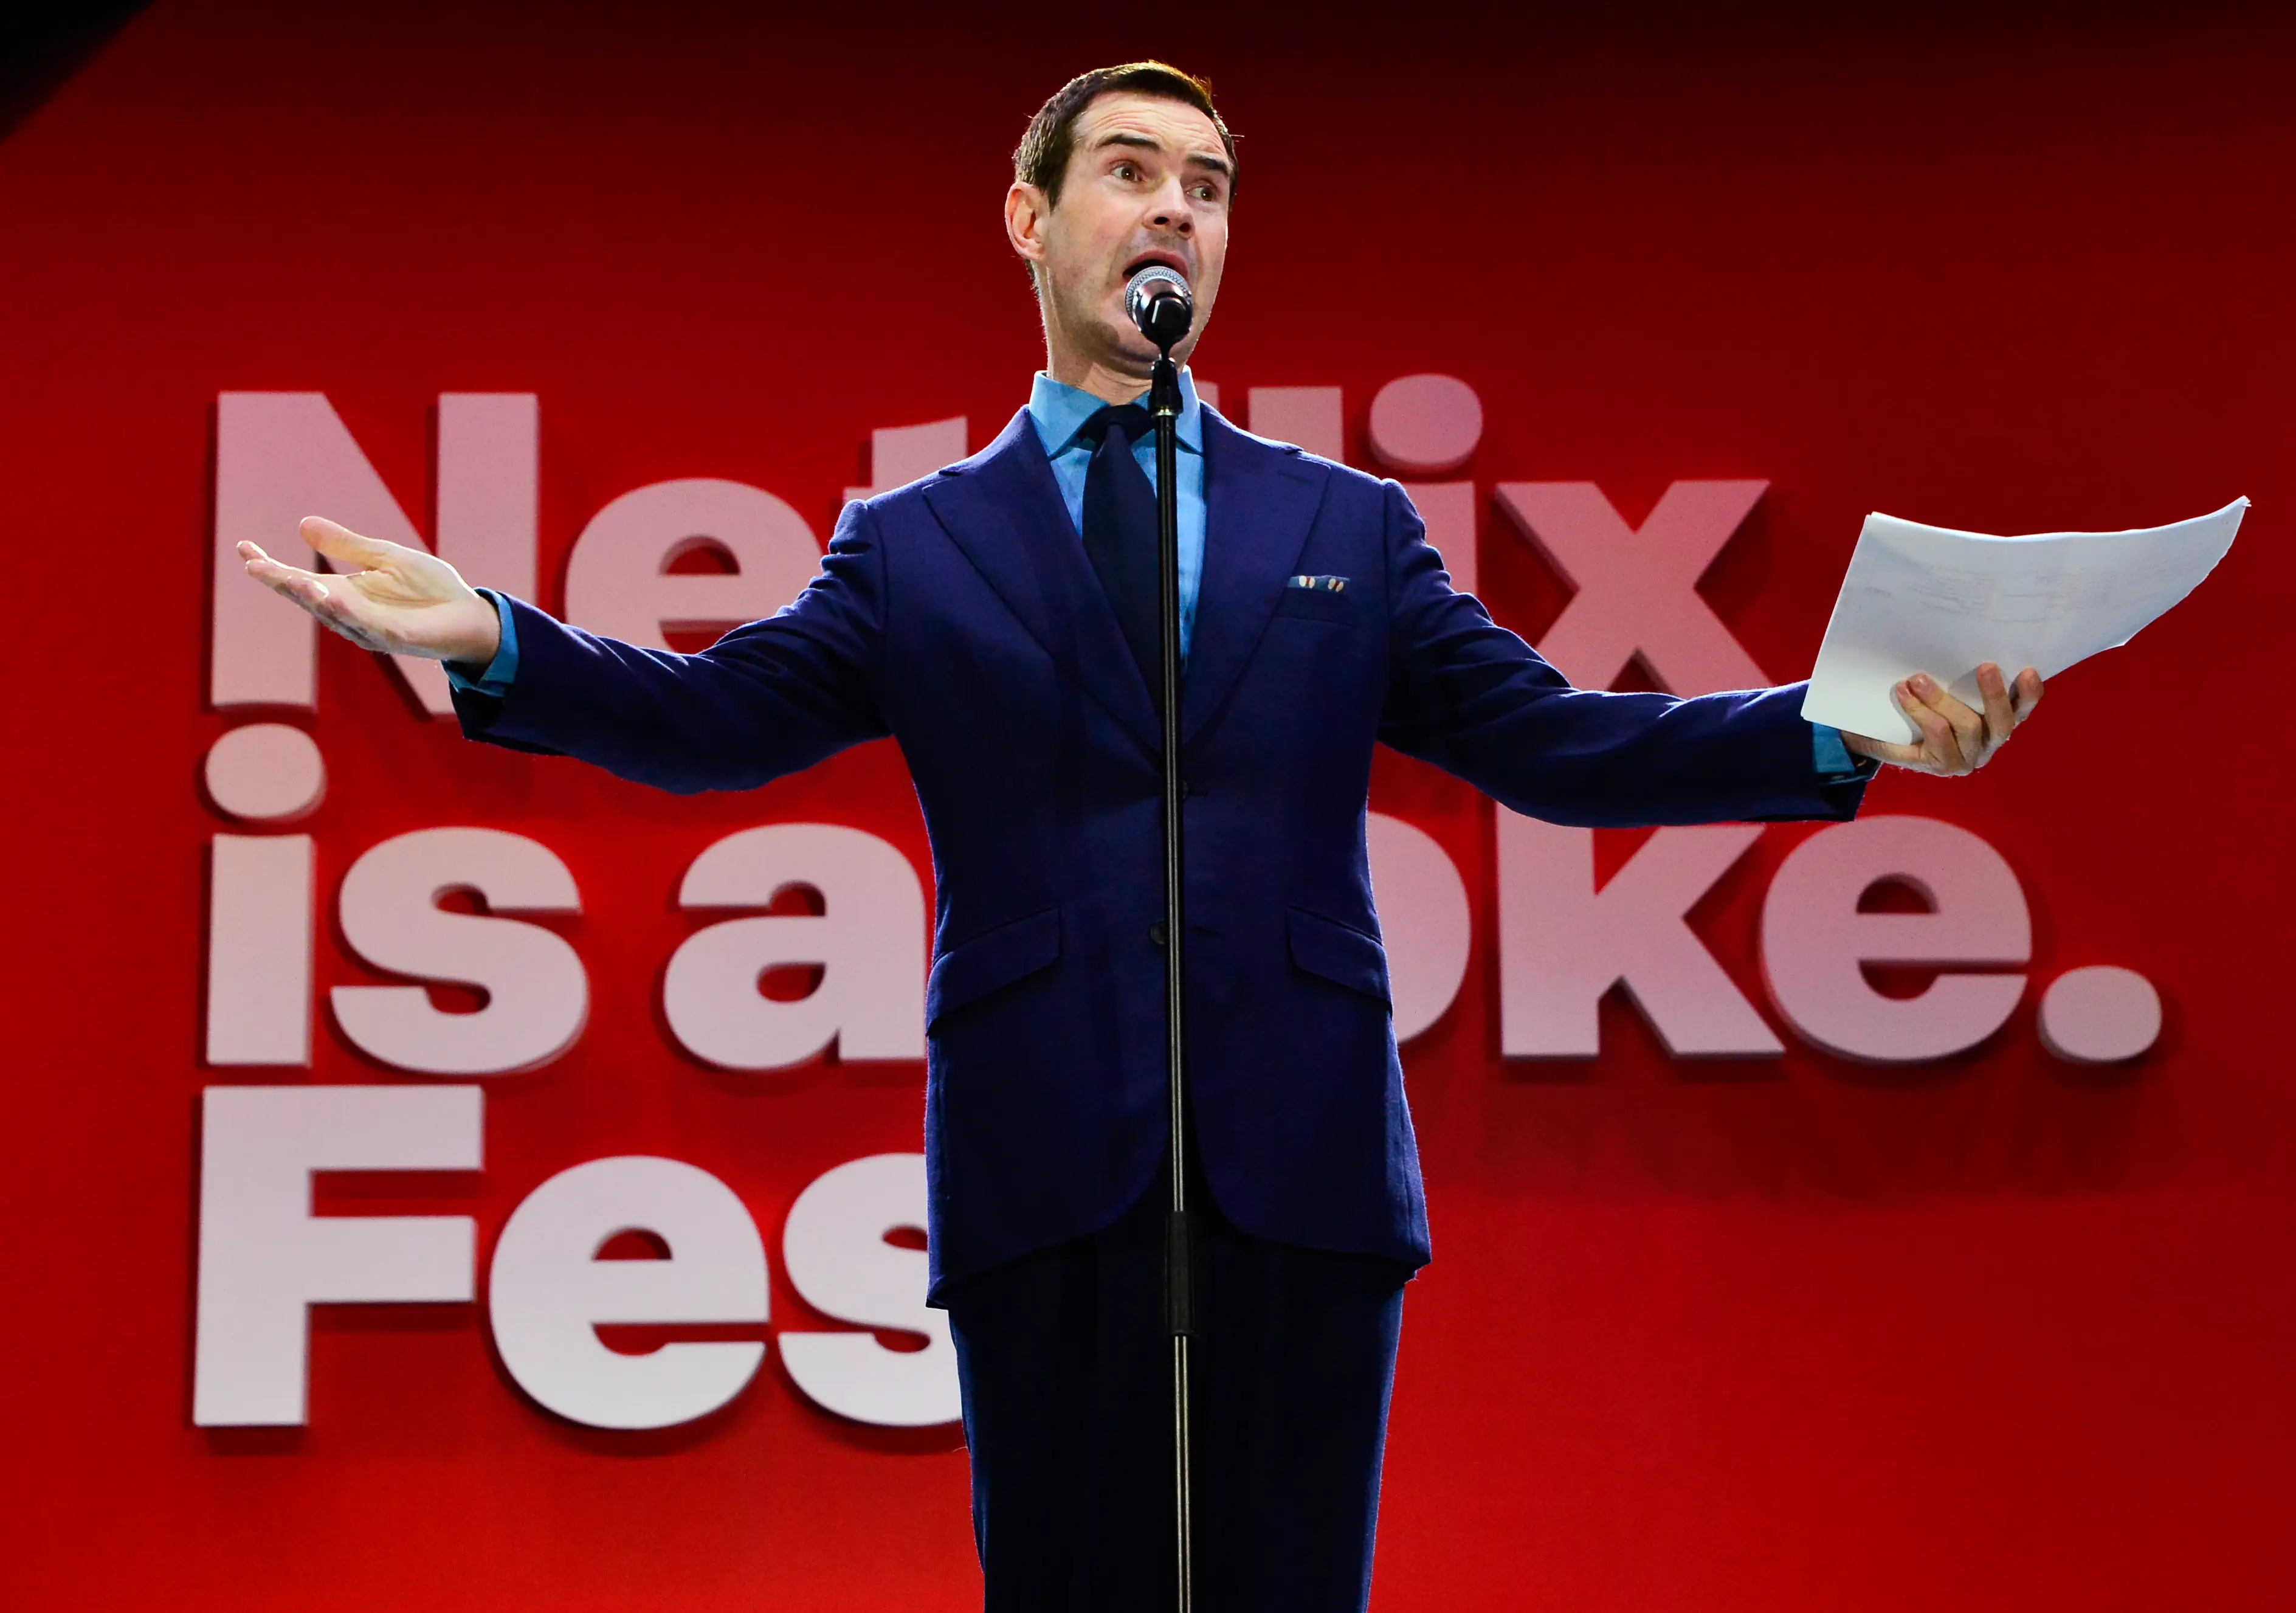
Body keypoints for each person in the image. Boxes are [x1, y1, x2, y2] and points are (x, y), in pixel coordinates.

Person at [240, 60, 2043, 1613]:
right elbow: (723, 721)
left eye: (1211, 186)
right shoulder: (917, 540)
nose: (1175, 208)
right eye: (1131, 172)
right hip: (1047, 1162)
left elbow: (1556, 745)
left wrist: (1847, 723)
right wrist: (495, 635)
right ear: (1029, 220)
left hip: (1303, 1171)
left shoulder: (1342, 524)